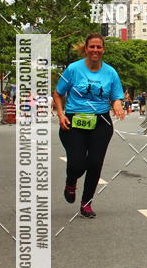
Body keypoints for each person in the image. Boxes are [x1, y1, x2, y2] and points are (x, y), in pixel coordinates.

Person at [52, 33, 125, 218]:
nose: (95, 50)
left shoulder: (110, 72)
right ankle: (71, 182)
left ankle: (86, 204)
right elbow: (58, 93)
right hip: (74, 121)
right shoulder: (73, 69)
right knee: (77, 165)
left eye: (99, 47)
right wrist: (60, 115)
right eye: (92, 46)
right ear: (86, 49)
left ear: (103, 50)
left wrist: (117, 104)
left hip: (101, 122)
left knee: (95, 164)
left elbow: (116, 96)